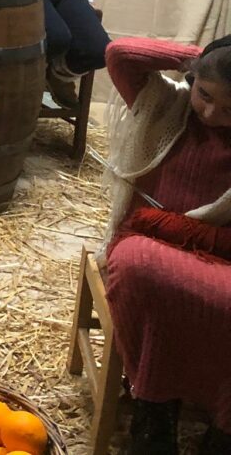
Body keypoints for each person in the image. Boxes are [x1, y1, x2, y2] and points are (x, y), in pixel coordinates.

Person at [101, 36, 231, 455]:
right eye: (205, 95)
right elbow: (120, 54)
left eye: (230, 109)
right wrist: (206, 58)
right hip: (147, 246)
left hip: (219, 258)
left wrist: (188, 231)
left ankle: (224, 427)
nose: (211, 114)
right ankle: (155, 410)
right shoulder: (166, 104)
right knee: (137, 263)